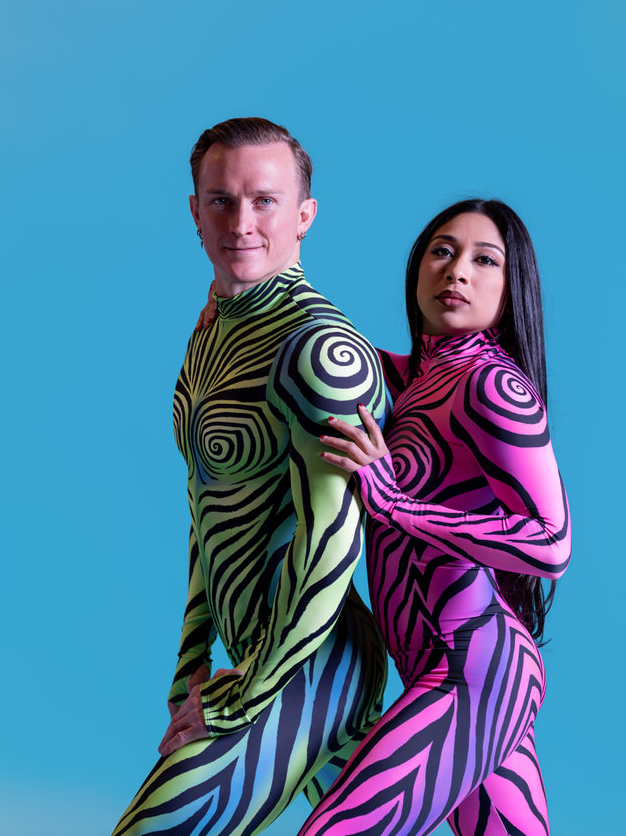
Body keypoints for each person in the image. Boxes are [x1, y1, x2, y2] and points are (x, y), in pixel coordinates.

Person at [111, 118, 389, 836]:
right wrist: (190, 671)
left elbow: (332, 541)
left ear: (304, 216)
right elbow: (209, 511)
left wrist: (243, 697)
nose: (241, 222)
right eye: (221, 200)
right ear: (195, 210)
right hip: (259, 660)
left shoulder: (321, 351)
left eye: (264, 201)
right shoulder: (213, 330)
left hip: (310, 662)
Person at [297, 199, 571, 835]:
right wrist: (231, 311)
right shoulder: (412, 379)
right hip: (450, 669)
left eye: (484, 260)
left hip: (472, 670)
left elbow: (550, 542)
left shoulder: (494, 387)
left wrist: (397, 507)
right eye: (442, 252)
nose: (458, 272)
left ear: (511, 288)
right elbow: (314, 347)